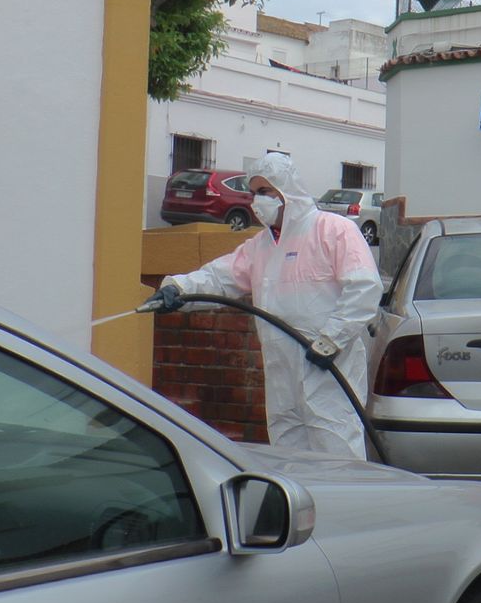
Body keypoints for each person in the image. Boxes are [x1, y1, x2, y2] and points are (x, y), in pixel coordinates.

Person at [145, 152, 382, 459]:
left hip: (327, 368)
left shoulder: (334, 231)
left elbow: (364, 287)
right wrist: (177, 288)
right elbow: (220, 277)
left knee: (336, 450)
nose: (257, 201)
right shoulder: (261, 247)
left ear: (287, 190)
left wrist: (332, 340)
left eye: (264, 192)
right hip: (280, 368)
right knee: (288, 454)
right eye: (253, 193)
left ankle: (343, 508)